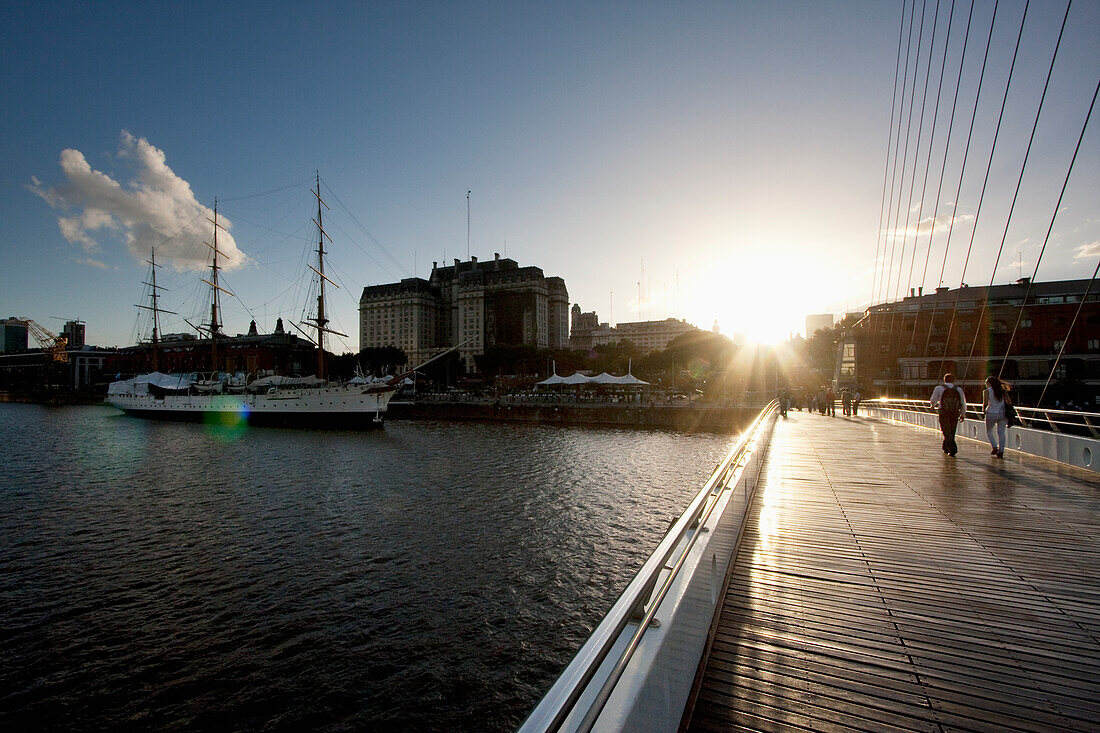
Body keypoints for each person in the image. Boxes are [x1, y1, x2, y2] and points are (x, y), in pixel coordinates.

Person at [930, 373, 966, 457]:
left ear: (944, 380)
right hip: (955, 412)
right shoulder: (959, 389)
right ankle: (945, 447)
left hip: (944, 412)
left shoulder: (939, 388)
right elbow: (963, 402)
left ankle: (953, 449)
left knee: (946, 430)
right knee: (952, 431)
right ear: (954, 380)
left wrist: (932, 406)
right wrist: (962, 414)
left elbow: (933, 400)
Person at [983, 376, 1009, 459]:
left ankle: (994, 447)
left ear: (990, 383)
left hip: (991, 413)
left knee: (989, 431)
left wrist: (984, 411)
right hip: (1002, 414)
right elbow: (1008, 402)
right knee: (1001, 432)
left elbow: (985, 404)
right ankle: (1001, 451)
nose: (985, 384)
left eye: (986, 382)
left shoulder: (986, 392)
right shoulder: (1003, 391)